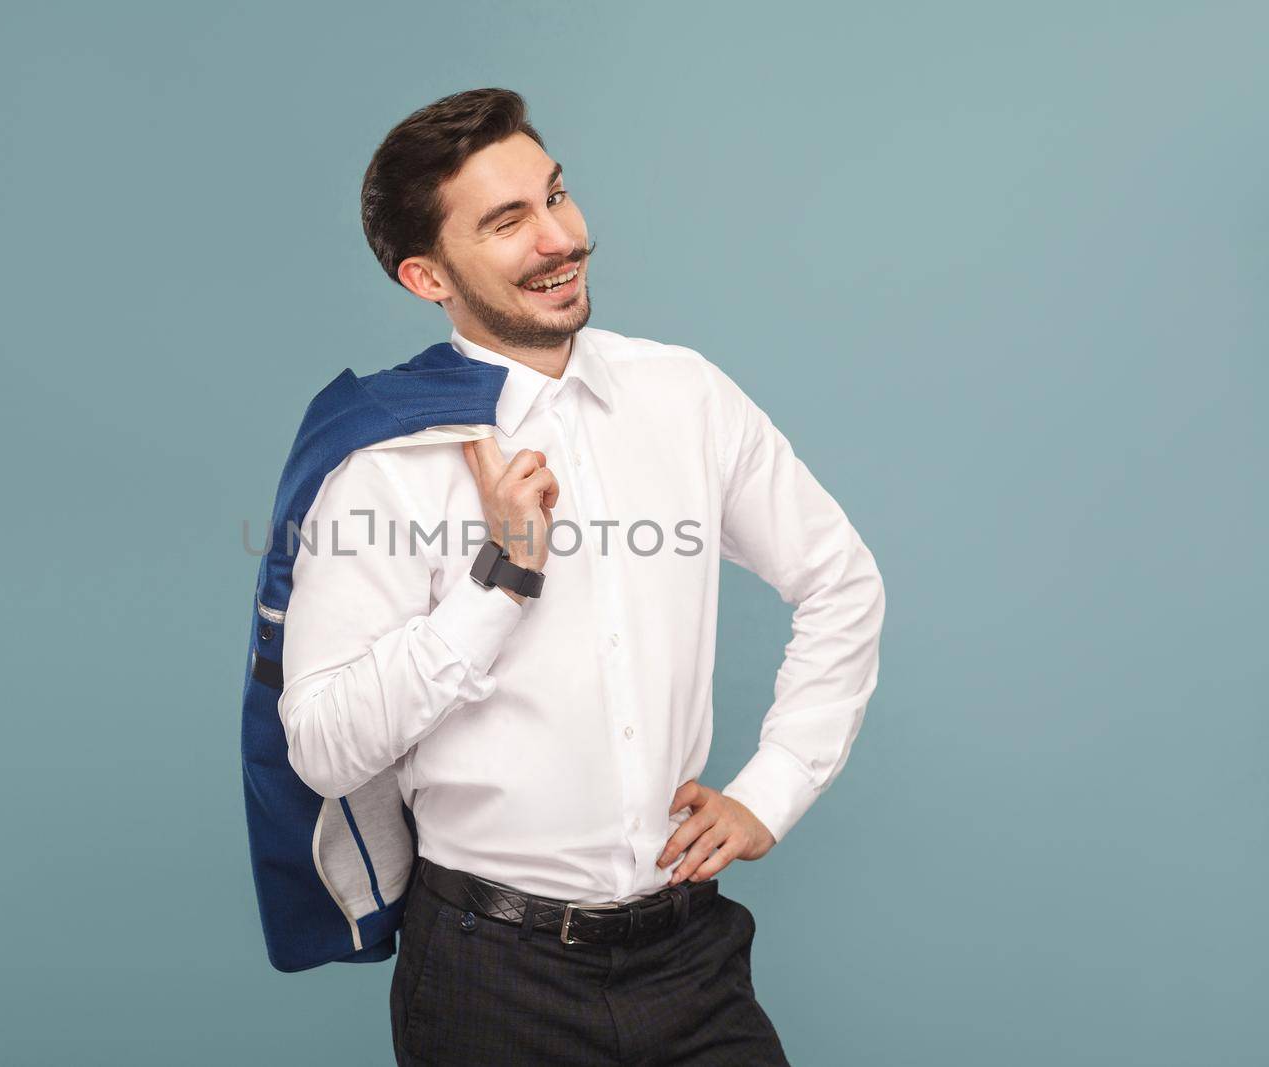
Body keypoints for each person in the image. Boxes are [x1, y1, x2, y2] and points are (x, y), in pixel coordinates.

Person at [276, 87, 886, 1065]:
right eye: (508, 221)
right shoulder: (384, 462)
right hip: (489, 975)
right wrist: (500, 578)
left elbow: (840, 579)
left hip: (689, 954)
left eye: (556, 196)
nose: (560, 237)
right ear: (425, 275)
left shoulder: (681, 394)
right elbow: (321, 745)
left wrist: (773, 786)